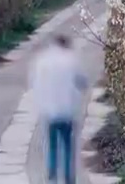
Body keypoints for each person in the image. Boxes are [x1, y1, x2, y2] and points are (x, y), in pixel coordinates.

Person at [28, 33, 90, 184]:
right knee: (68, 145)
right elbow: (83, 81)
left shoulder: (42, 60)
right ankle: (69, 177)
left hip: (49, 110)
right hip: (67, 110)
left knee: (52, 144)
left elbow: (34, 82)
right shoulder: (71, 60)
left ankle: (52, 175)